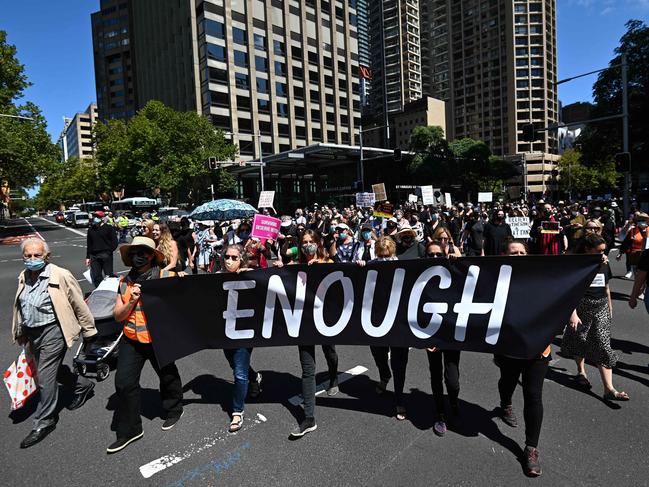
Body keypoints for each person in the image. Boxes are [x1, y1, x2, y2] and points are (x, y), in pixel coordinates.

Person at [12, 238, 97, 448]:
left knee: (44, 377)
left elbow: (79, 304)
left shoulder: (60, 275)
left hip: (54, 331)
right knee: (51, 371)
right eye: (28, 255)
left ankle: (45, 421)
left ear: (47, 256)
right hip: (33, 332)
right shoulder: (24, 275)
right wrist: (21, 330)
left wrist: (89, 332)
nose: (32, 259)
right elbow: (22, 306)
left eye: (37, 255)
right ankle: (83, 385)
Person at [108, 236, 184, 454]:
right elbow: (118, 316)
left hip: (159, 338)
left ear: (152, 256)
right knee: (123, 382)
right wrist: (131, 300)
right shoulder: (124, 282)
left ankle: (174, 409)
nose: (138, 257)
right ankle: (130, 430)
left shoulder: (165, 276)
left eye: (143, 252)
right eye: (133, 253)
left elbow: (190, 298)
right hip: (132, 339)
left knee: (167, 375)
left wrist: (183, 279)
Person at [276, 230, 339, 438]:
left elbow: (341, 278)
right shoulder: (295, 266)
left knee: (330, 352)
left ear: (318, 243)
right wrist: (280, 267)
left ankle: (333, 377)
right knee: (308, 369)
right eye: (304, 242)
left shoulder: (327, 262)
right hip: (304, 324)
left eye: (311, 242)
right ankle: (309, 418)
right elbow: (281, 276)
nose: (308, 245)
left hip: (325, 321)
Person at [495, 238, 549, 477]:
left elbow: (566, 291)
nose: (517, 256)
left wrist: (594, 262)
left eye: (522, 253)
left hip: (538, 348)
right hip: (508, 346)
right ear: (504, 255)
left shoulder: (541, 278)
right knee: (507, 381)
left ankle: (531, 448)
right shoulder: (495, 279)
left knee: (533, 395)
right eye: (512, 253)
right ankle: (505, 404)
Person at [561, 234, 629, 402]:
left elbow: (606, 287)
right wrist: (573, 314)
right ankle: (581, 371)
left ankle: (609, 389)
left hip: (601, 307)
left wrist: (610, 306)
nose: (603, 254)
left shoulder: (605, 264)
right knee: (579, 340)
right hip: (581, 307)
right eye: (599, 251)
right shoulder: (576, 266)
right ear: (587, 249)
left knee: (603, 344)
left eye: (604, 251)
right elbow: (568, 292)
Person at [218, 244, 262, 432]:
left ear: (241, 260)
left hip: (245, 330)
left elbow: (267, 283)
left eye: (234, 258)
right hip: (225, 330)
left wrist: (249, 273)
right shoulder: (217, 277)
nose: (230, 260)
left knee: (239, 373)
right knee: (234, 364)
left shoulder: (250, 274)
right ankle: (256, 378)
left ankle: (237, 412)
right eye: (227, 256)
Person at [423, 240, 461, 437]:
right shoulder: (420, 279)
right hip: (431, 335)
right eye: (431, 255)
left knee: (452, 379)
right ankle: (440, 412)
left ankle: (453, 400)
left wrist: (457, 261)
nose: (435, 258)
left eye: (439, 254)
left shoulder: (454, 271)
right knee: (436, 375)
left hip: (452, 334)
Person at [86, 210, 118, 287]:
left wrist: (109, 251)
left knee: (109, 275)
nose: (95, 218)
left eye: (98, 217)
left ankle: (110, 291)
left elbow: (115, 242)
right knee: (96, 276)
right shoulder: (91, 230)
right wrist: (87, 257)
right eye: (94, 216)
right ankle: (99, 291)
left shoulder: (109, 228)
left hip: (106, 255)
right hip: (94, 256)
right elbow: (89, 244)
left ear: (102, 218)